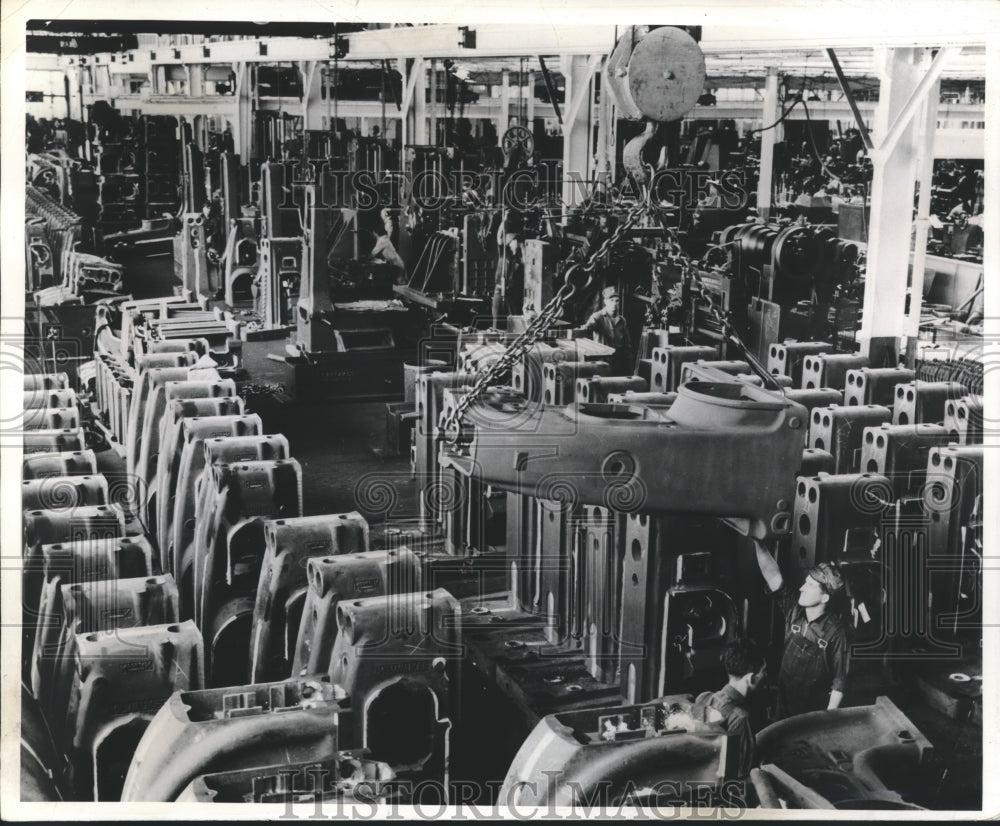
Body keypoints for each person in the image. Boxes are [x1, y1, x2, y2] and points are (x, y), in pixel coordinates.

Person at [754, 541, 850, 718]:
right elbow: (772, 576)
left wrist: (827, 720)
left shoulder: (837, 633)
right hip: (782, 707)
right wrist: (758, 542)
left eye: (810, 586)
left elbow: (840, 683)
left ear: (825, 598)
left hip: (810, 716)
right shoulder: (795, 611)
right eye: (805, 582)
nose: (801, 588)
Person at [693, 638, 767, 781]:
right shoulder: (741, 718)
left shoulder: (704, 698)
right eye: (764, 672)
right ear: (751, 678)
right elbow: (742, 775)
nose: (765, 677)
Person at [581, 286, 633, 374]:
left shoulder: (622, 320)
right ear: (605, 302)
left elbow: (627, 345)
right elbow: (588, 327)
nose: (614, 304)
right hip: (601, 361)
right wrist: (585, 327)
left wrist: (629, 365)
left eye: (617, 301)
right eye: (611, 301)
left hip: (618, 362)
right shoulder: (597, 317)